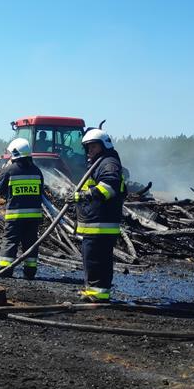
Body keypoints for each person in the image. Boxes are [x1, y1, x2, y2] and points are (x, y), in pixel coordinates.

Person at [67, 128, 125, 302]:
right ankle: (95, 292)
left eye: (93, 147)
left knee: (96, 259)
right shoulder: (99, 163)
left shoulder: (108, 163)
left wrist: (81, 196)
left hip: (101, 223)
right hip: (95, 222)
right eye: (88, 147)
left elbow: (108, 188)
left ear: (104, 145)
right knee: (93, 258)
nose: (90, 151)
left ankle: (98, 294)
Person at [0, 138, 44, 279]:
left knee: (10, 241)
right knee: (30, 243)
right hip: (34, 216)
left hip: (15, 216)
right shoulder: (37, 171)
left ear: (15, 153)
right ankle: (30, 272)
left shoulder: (10, 170)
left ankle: (5, 270)